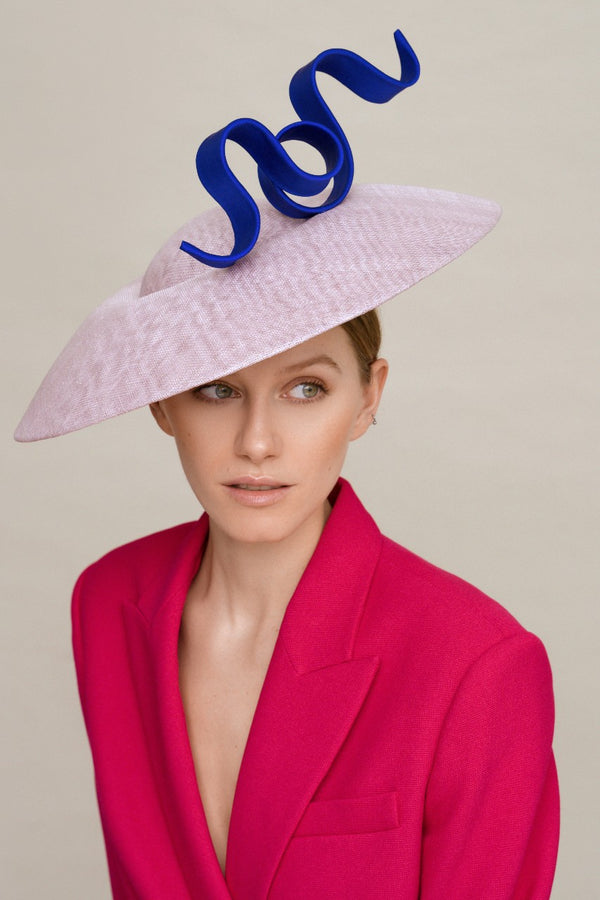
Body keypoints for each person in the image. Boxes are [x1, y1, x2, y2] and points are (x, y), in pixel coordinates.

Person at [15, 29, 559, 900]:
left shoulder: (477, 664)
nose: (258, 441)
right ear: (162, 402)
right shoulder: (108, 604)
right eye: (217, 392)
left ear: (368, 397)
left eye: (305, 389)